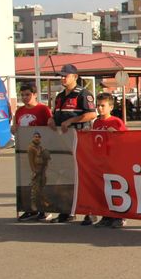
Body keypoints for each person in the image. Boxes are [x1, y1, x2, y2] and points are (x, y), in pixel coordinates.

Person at [47, 64, 97, 224]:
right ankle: (66, 211)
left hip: (81, 141)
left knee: (83, 177)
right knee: (64, 176)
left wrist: (72, 120)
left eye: (65, 76)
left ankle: (91, 212)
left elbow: (91, 114)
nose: (62, 78)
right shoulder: (60, 96)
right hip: (63, 141)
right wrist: (51, 119)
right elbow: (57, 115)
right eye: (61, 76)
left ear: (75, 77)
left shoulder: (83, 94)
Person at [13, 84, 53, 222]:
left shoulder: (43, 109)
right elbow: (14, 128)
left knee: (40, 180)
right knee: (26, 180)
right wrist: (14, 129)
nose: (25, 97)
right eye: (22, 95)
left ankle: (45, 209)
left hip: (40, 152)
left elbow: (49, 128)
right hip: (25, 150)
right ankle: (29, 209)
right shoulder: (19, 111)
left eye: (27, 94)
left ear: (35, 94)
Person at [90, 93, 128, 228]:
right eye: (98, 106)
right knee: (103, 188)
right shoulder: (96, 122)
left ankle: (119, 216)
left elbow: (125, 140)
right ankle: (106, 215)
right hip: (101, 160)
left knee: (115, 188)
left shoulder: (116, 122)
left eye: (103, 106)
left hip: (114, 160)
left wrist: (116, 134)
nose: (100, 108)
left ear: (110, 107)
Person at [27, 131, 50, 223]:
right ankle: (33, 205)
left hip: (42, 170)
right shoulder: (31, 148)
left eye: (38, 137)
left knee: (42, 187)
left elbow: (46, 160)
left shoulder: (41, 148)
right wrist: (34, 171)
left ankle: (43, 203)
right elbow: (31, 161)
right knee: (35, 188)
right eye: (35, 136)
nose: (37, 138)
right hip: (36, 169)